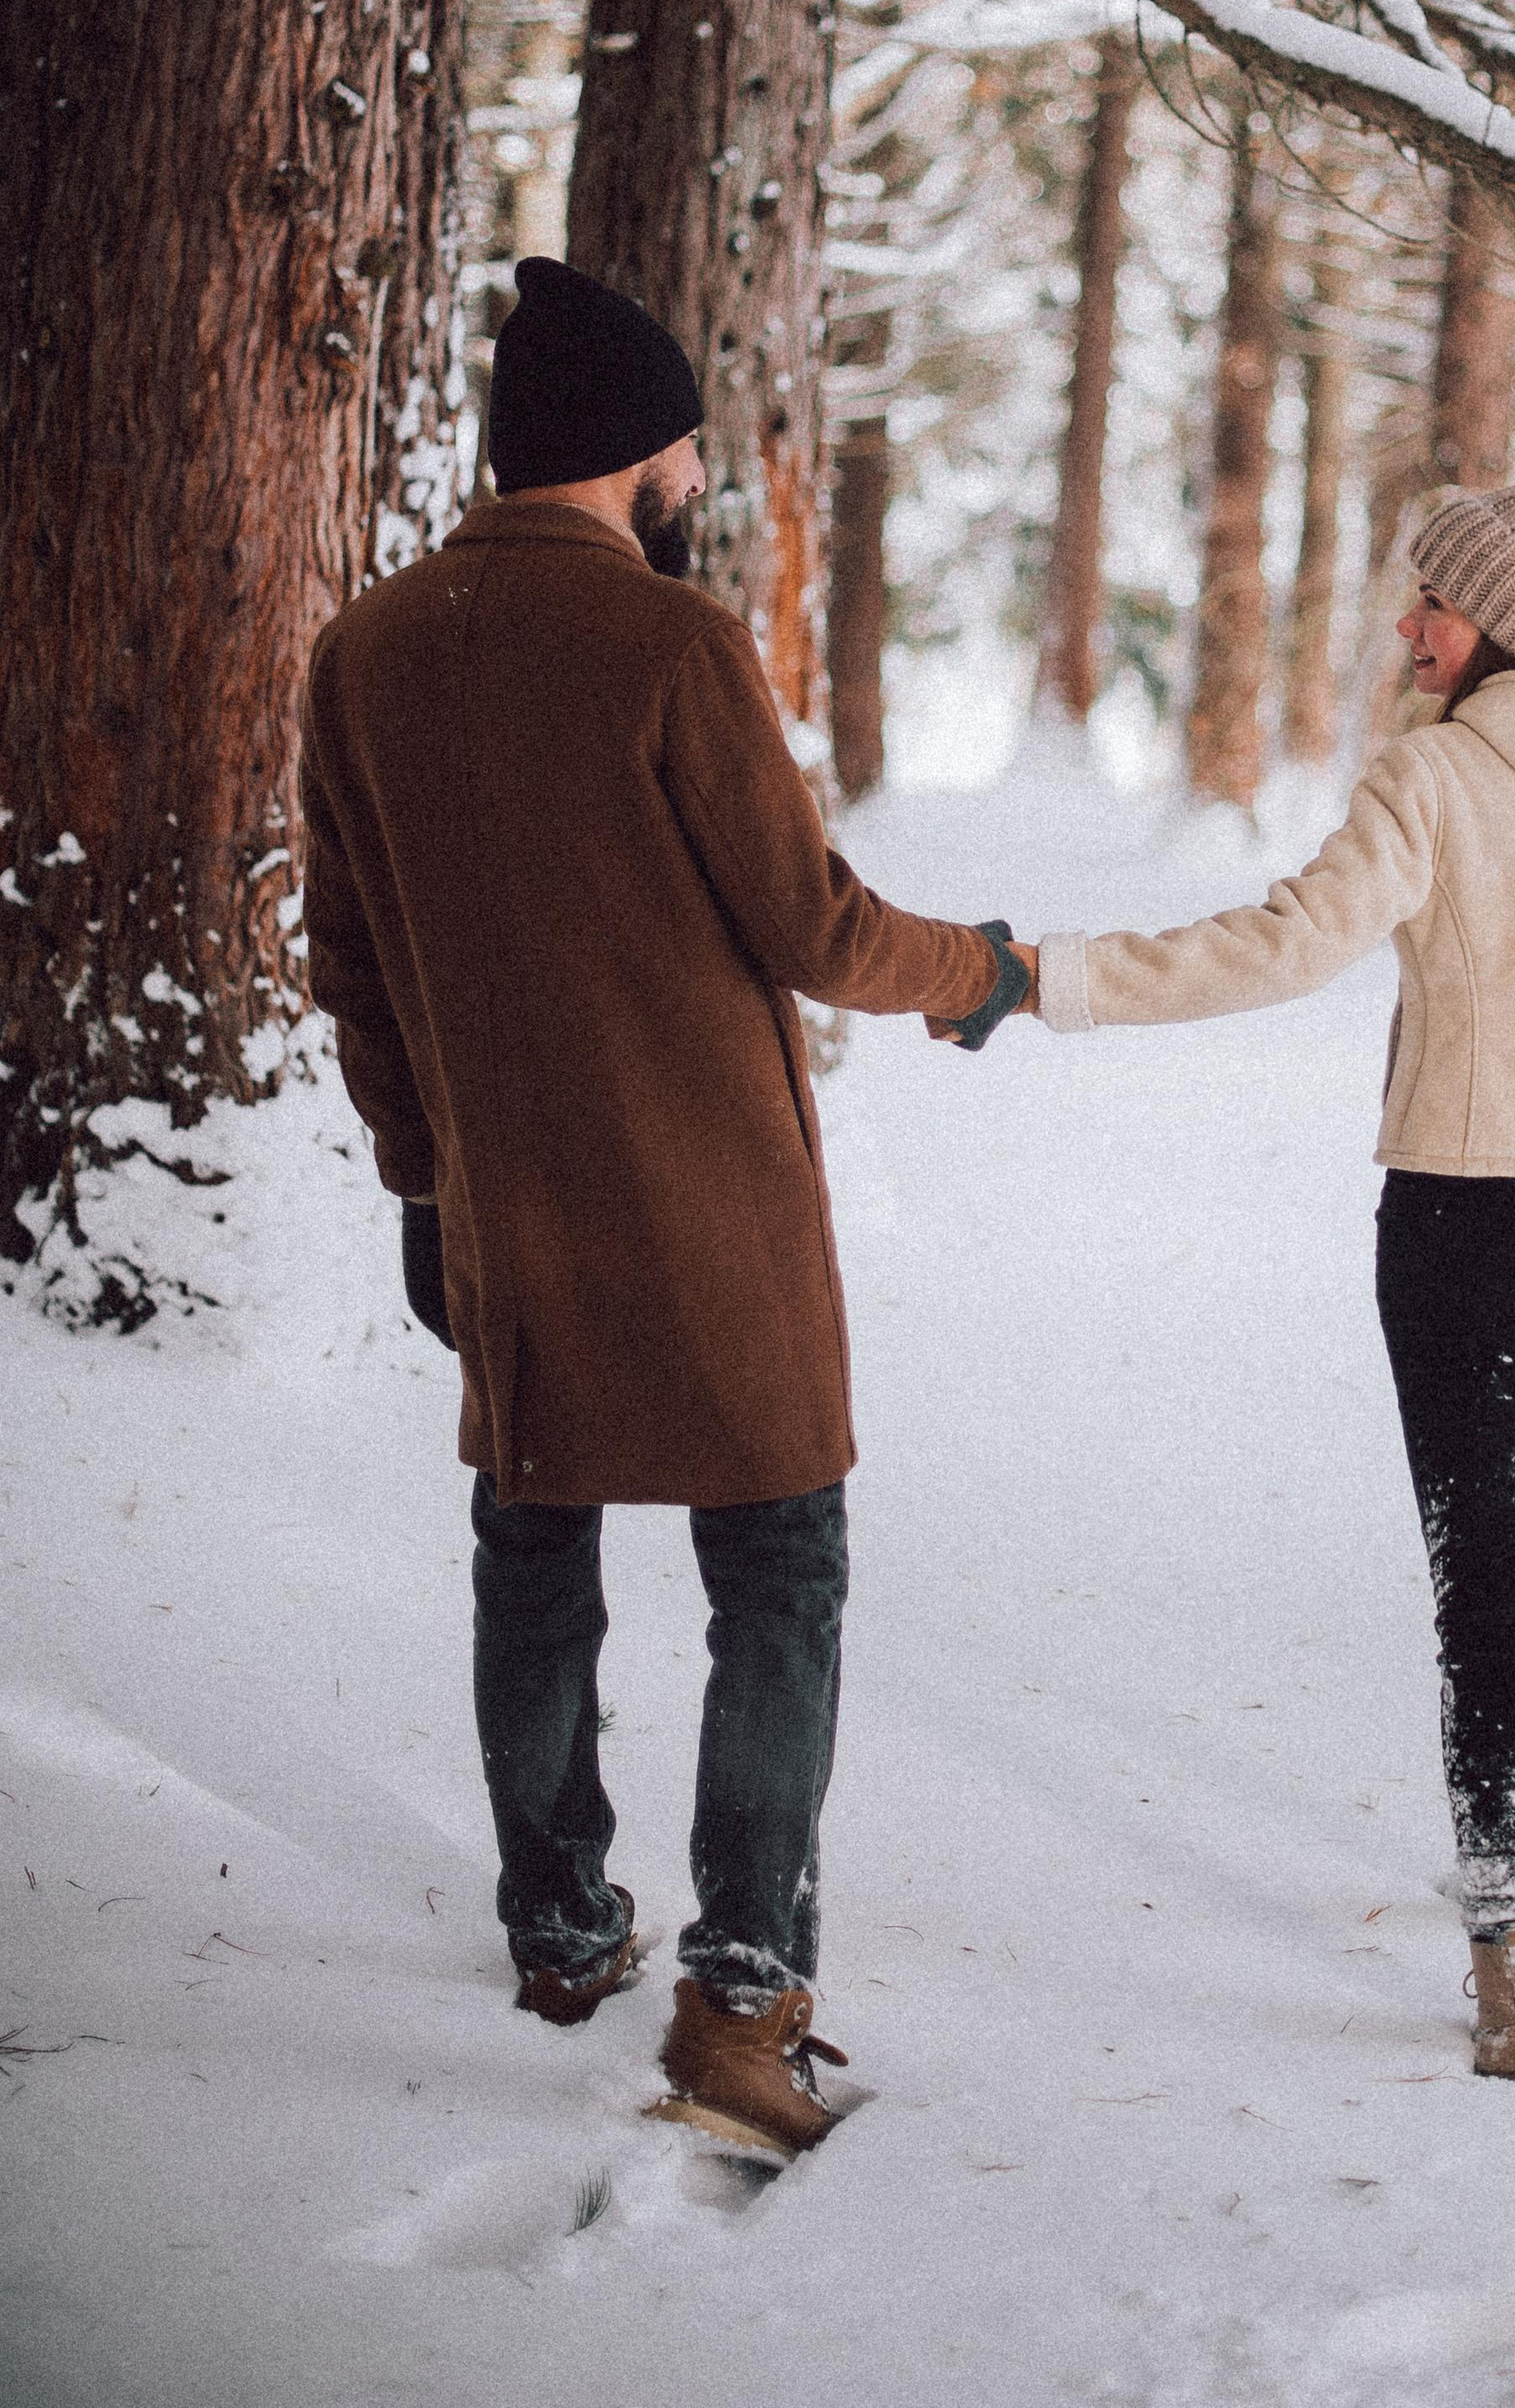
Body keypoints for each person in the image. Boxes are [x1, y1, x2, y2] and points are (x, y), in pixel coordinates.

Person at [298, 256, 1027, 2163]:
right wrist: (977, 970)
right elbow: (814, 926)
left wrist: (419, 1174)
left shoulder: (364, 647)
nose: (703, 467)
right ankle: (739, 1992)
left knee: (531, 1553)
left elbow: (349, 958)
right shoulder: (671, 650)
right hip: (709, 1211)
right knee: (776, 1573)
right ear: (632, 451)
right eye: (690, 439)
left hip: (501, 1212)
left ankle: (556, 1928)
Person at [1015, 469, 1515, 2079]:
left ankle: (1511, 1949)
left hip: (1472, 1218)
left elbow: (1281, 943)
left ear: (1512, 627)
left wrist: (1049, 980)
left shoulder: (1437, 781)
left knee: (1486, 1573)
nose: (1411, 624)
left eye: (1439, 598)